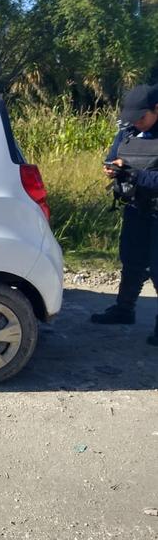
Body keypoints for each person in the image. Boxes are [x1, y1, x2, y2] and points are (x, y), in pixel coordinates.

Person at [90, 84, 158, 346]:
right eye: (133, 118)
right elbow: (112, 156)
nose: (137, 123)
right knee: (131, 260)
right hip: (135, 207)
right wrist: (112, 168)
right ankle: (123, 309)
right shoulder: (128, 131)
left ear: (156, 109)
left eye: (142, 117)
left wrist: (134, 174)